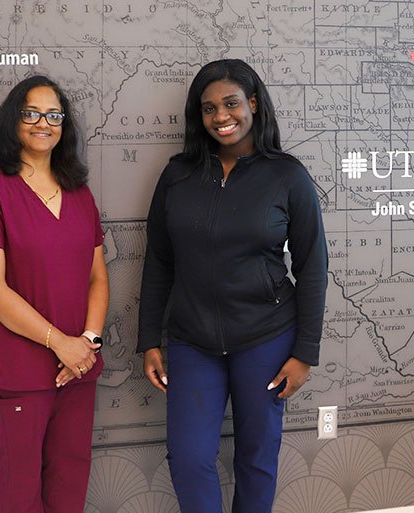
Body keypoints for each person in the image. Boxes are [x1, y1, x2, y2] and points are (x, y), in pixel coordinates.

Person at [138, 59, 328, 513]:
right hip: (192, 341)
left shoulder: (287, 176)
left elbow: (313, 266)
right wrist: (148, 340)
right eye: (208, 108)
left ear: (253, 104)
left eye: (231, 103)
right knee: (189, 459)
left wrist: (305, 354)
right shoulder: (177, 175)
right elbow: (159, 261)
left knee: (257, 459)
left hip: (266, 340)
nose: (221, 116)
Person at [0, 75, 107, 513]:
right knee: (23, 481)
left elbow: (98, 277)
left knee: (72, 468)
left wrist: (88, 343)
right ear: (13, 121)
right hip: (20, 366)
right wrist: (61, 342)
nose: (44, 123)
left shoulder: (80, 193)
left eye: (54, 115)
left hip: (79, 363)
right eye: (32, 113)